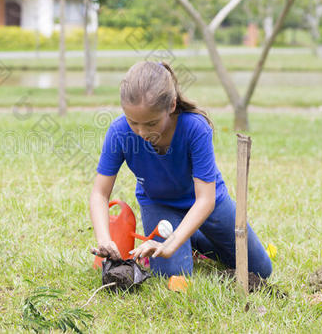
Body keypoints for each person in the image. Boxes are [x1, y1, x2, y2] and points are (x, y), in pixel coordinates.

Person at [89, 61, 272, 278]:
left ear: (172, 105)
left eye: (151, 123)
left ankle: (191, 236)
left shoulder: (195, 127)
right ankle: (186, 237)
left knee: (260, 269)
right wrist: (104, 239)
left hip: (206, 204)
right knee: (174, 273)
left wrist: (173, 242)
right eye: (133, 122)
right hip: (160, 204)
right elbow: (100, 193)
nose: (140, 132)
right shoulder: (119, 132)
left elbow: (206, 199)